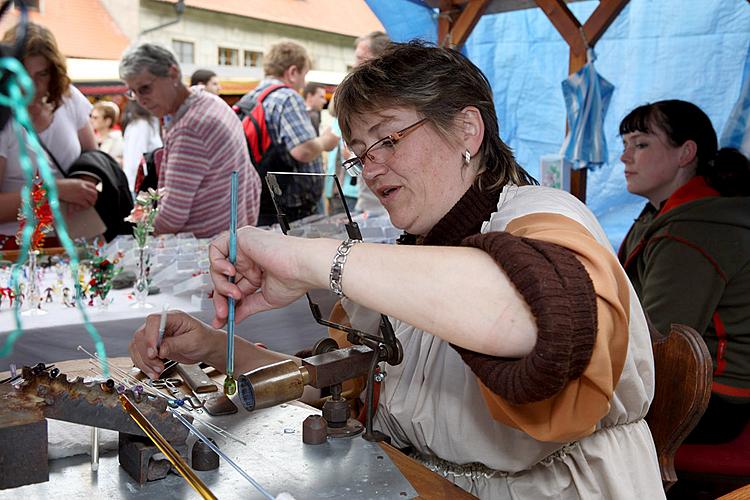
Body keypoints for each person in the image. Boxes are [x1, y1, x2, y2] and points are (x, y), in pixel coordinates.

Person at [129, 42, 664, 498]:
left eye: (387, 139)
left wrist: (305, 258)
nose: (371, 165)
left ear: (467, 131)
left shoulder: (544, 216)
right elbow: (342, 391)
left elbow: (533, 319)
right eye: (359, 153)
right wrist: (214, 347)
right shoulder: (408, 256)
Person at [618, 99, 750, 445]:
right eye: (625, 145)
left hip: (711, 398)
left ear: (685, 153)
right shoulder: (660, 216)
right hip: (690, 384)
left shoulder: (693, 230)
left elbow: (661, 341)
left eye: (641, 144)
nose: (624, 157)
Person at [119, 43, 261, 237]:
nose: (140, 100)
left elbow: (171, 218)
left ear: (173, 73)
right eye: (133, 92)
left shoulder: (190, 128)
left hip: (206, 247)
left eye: (145, 88)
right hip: (233, 233)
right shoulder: (208, 100)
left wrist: (139, 225)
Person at [0, 22, 99, 250]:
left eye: (42, 74)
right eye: (23, 74)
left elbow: (93, 157)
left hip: (76, 238)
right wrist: (56, 190)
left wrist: (85, 185)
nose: (31, 86)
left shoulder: (68, 97)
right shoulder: (2, 117)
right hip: (16, 250)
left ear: (54, 72)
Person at [234, 40, 338, 226]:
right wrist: (325, 142)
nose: (304, 82)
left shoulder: (251, 97)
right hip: (291, 209)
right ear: (292, 72)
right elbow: (303, 150)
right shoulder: (287, 97)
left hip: (262, 200)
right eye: (304, 74)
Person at [352, 31, 391, 215]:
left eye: (361, 59)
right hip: (367, 203)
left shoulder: (392, 105)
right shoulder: (360, 100)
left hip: (384, 208)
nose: (354, 66)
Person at [121, 99, 162, 194]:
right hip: (140, 188)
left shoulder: (151, 123)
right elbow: (135, 159)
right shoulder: (140, 126)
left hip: (145, 186)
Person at [90, 100, 124, 165]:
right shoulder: (92, 138)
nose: (91, 120)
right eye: (91, 117)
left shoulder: (118, 139)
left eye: (95, 118)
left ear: (107, 121)